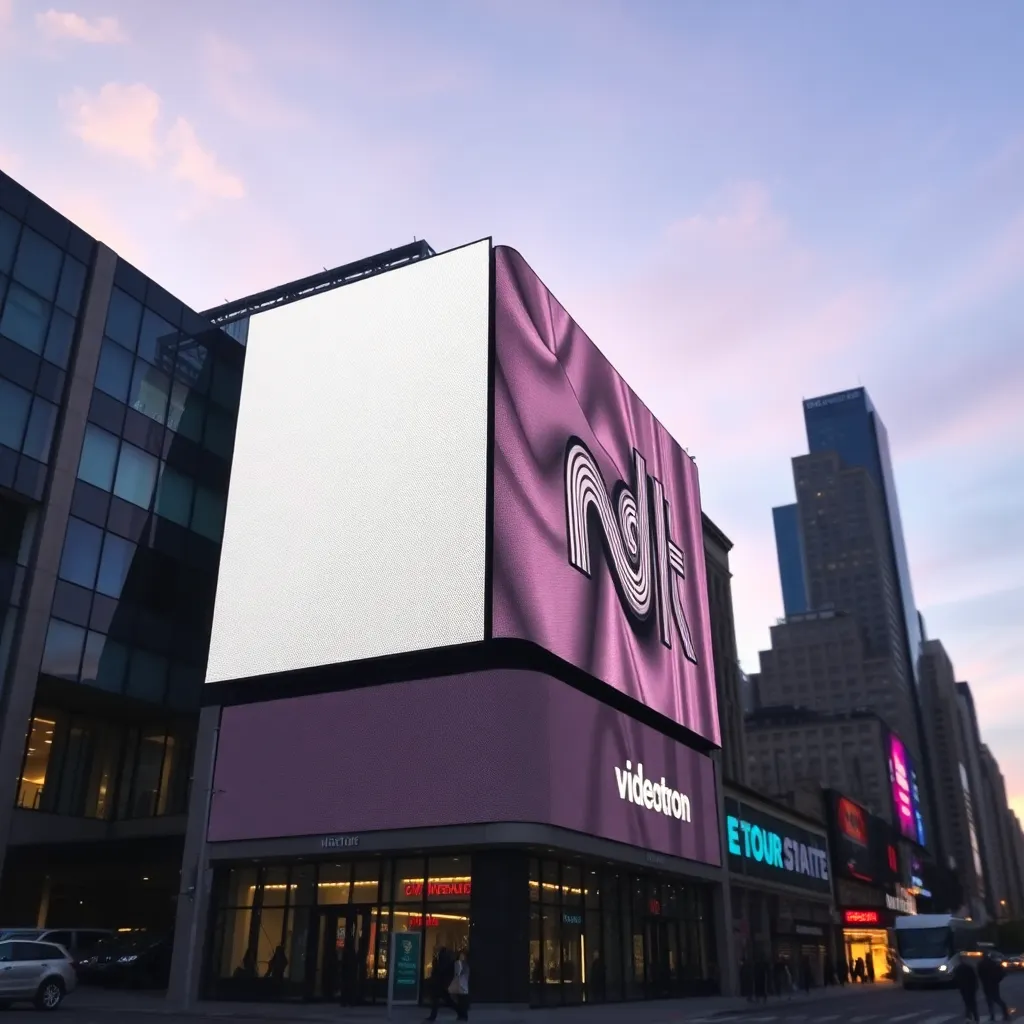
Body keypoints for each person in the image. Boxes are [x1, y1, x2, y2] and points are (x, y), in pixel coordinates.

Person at [426, 946, 459, 1021]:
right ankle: (460, 1011)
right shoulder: (447, 961)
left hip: (439, 984)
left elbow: (438, 972)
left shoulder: (442, 961)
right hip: (441, 985)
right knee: (445, 1001)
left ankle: (433, 1016)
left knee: (440, 1001)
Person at [978, 952, 1011, 1021]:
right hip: (994, 984)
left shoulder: (980, 964)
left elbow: (979, 974)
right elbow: (1002, 972)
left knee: (989, 1001)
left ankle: (992, 1016)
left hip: (986, 984)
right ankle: (1005, 1015)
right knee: (997, 999)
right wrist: (997, 980)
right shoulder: (993, 963)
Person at [451, 949, 470, 1021]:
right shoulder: (459, 964)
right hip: (460, 985)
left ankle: (463, 1016)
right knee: (460, 1001)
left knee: (462, 1002)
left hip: (463, 985)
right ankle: (462, 1015)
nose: (461, 957)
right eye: (460, 956)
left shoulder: (464, 965)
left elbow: (461, 974)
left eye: (462, 956)